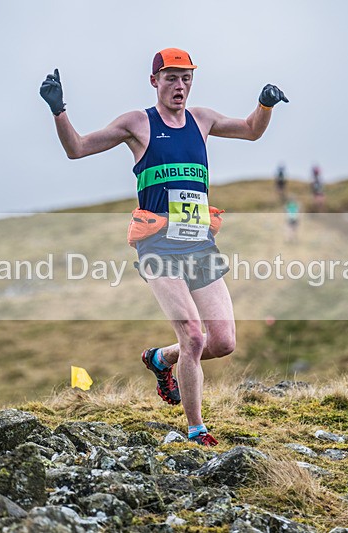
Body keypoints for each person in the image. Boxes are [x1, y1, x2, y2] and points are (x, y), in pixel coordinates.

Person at [39, 48, 288, 446]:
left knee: (222, 342)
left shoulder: (202, 120)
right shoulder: (137, 123)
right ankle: (196, 429)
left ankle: (160, 359)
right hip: (158, 247)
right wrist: (58, 111)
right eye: (171, 77)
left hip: (200, 244)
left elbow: (251, 129)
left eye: (186, 77)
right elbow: (77, 148)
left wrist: (264, 105)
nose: (180, 85)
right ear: (154, 81)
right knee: (193, 336)